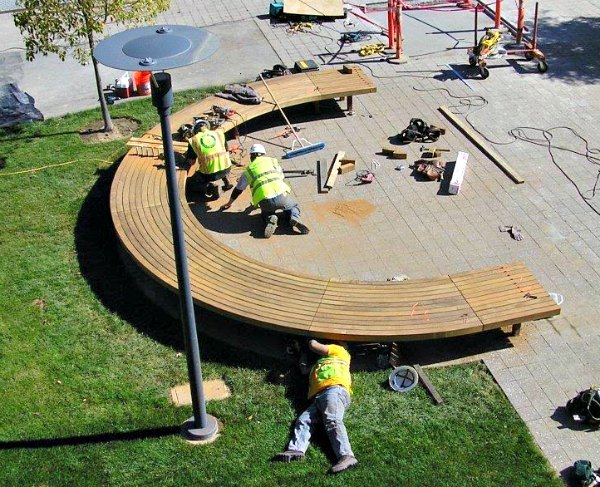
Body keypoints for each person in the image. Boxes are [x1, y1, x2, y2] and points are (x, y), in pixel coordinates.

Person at [274, 339, 358, 474]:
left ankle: (347, 456)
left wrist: (307, 339)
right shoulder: (320, 363)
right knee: (304, 420)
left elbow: (314, 345)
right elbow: (303, 369)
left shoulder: (340, 352)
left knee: (332, 420)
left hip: (335, 390)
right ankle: (296, 449)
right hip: (319, 396)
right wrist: (301, 353)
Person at [220, 144, 310, 238]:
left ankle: (270, 218)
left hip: (265, 201)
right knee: (293, 206)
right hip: (282, 196)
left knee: (265, 212)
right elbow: (281, 176)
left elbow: (238, 189)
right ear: (263, 154)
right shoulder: (273, 161)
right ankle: (293, 217)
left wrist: (229, 203)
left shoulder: (248, 170)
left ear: (251, 156)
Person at [185, 121, 233, 200]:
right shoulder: (218, 134)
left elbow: (192, 162)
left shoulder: (194, 140)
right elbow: (226, 149)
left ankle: (210, 188)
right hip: (227, 167)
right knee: (219, 161)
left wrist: (191, 154)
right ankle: (227, 181)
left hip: (209, 174)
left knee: (190, 184)